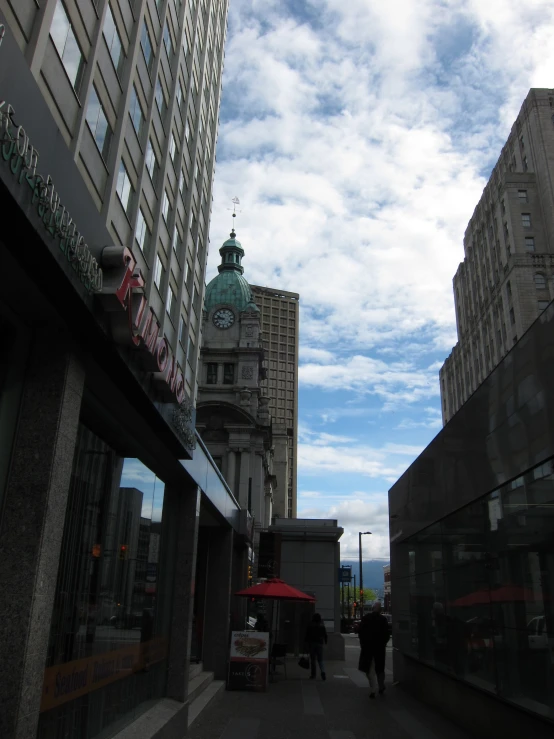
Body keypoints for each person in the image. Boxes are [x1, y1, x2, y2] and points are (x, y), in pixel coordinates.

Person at [358, 601, 390, 698]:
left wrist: (363, 644)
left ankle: (373, 688)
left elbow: (361, 633)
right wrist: (383, 643)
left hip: (368, 648)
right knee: (380, 669)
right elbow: (387, 635)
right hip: (379, 648)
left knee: (369, 669)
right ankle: (380, 686)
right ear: (380, 610)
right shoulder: (383, 620)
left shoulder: (366, 618)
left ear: (372, 608)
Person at [305, 612, 327, 680]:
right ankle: (323, 671)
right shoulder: (322, 625)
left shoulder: (310, 625)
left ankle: (313, 674)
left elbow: (307, 635)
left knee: (313, 660)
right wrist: (325, 642)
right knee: (320, 659)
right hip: (320, 643)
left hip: (312, 643)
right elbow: (325, 634)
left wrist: (306, 643)